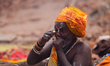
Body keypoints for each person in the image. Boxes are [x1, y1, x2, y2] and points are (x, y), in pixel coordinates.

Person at [27, 6, 92, 66]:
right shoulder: (55, 44)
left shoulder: (82, 48)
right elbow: (31, 61)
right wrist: (41, 43)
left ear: (73, 34)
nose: (57, 34)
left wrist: (59, 51)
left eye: (62, 31)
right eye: (56, 29)